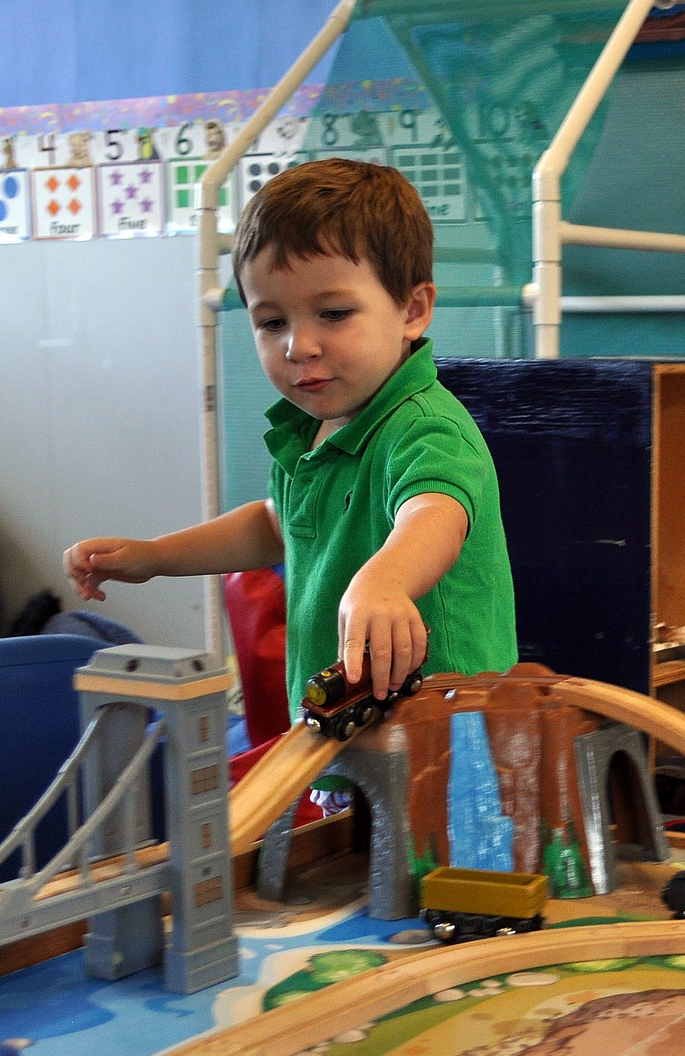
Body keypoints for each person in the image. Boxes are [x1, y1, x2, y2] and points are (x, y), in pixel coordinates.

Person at [64, 158, 517, 733]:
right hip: (347, 723)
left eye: (333, 314)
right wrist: (156, 556)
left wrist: (387, 580)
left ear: (412, 310)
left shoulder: (424, 427)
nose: (299, 346)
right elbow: (276, 526)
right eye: (272, 322)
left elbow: (435, 515)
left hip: (445, 734)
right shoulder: (310, 430)